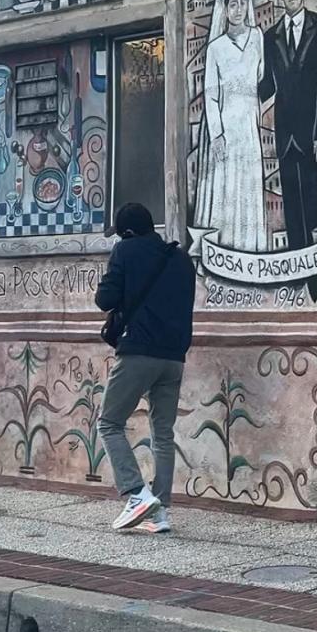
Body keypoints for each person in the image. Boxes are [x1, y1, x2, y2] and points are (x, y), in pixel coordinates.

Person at [95, 203, 195, 533]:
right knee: (162, 433)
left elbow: (104, 299)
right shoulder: (180, 258)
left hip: (139, 351)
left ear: (126, 232)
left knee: (109, 422)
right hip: (174, 357)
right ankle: (160, 513)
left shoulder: (125, 251)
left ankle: (136, 493)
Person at [260, 0, 317, 301]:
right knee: (292, 206)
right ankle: (299, 274)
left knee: (313, 202)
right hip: (285, 133)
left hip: (312, 134)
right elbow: (265, 86)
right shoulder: (270, 36)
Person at [193, 0, 267, 252]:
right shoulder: (216, 48)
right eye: (232, 4)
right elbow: (211, 94)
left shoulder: (258, 38)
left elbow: (261, 78)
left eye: (242, 2)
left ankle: (252, 249)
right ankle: (225, 251)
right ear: (224, 8)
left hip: (249, 127)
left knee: (248, 186)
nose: (238, 9)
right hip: (226, 129)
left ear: (249, 4)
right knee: (227, 188)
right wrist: (218, 134)